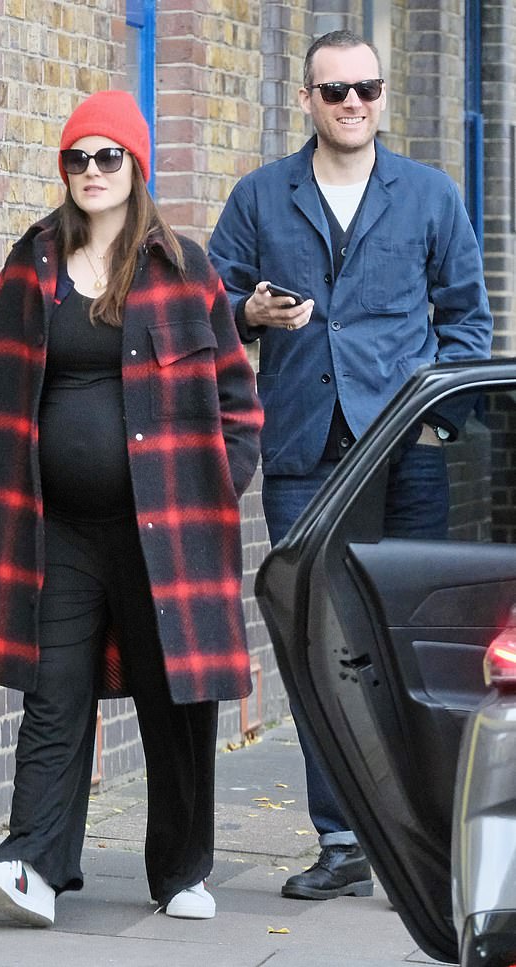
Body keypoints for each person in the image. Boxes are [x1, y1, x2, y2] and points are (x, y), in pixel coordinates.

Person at [0, 90, 263, 928]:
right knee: (53, 693)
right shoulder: (33, 262)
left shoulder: (185, 268)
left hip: (166, 534)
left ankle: (182, 870)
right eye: (77, 157)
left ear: (135, 166)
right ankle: (34, 865)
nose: (91, 171)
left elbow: (238, 403)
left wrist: (214, 489)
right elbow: (1, 393)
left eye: (108, 156)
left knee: (176, 699)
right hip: (57, 529)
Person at [209, 29, 493, 902]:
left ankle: (431, 836)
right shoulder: (262, 196)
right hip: (304, 453)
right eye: (335, 91)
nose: (353, 103)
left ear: (382, 97)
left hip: (404, 454)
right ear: (307, 99)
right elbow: (204, 303)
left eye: (366, 88)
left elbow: (468, 320)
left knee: (413, 645)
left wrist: (439, 422)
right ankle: (341, 840)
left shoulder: (430, 195)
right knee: (317, 647)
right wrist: (249, 314)